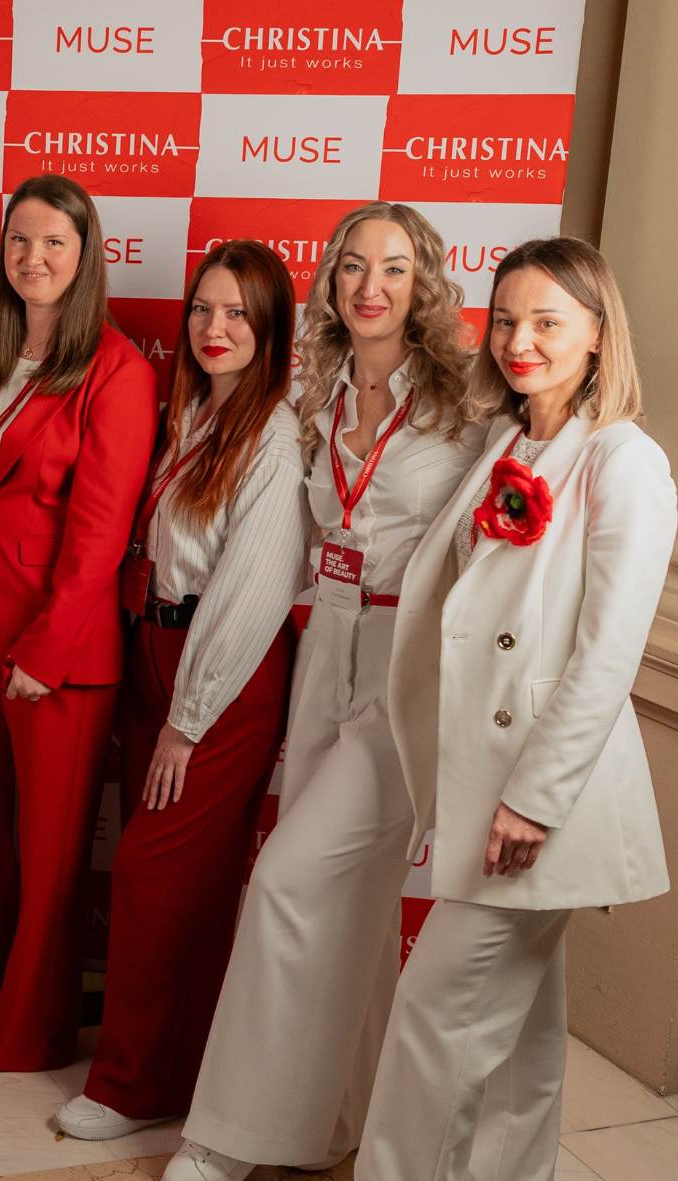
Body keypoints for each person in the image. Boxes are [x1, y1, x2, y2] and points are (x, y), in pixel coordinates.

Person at [162, 202, 486, 1180]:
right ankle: (343, 1115)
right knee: (351, 906)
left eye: (393, 267)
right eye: (351, 265)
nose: (369, 285)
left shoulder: (466, 402)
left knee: (284, 883)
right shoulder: (314, 396)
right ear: (331, 282)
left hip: (405, 664)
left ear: (422, 283)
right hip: (323, 650)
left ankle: (229, 1138)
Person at [357, 237, 673, 1180]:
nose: (518, 340)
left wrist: (533, 798)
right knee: (520, 1045)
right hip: (484, 774)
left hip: (537, 794)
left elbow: (607, 652)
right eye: (504, 320)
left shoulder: (625, 459)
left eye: (546, 321)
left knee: (433, 1020)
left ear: (598, 333)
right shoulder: (508, 439)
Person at [61, 242, 306, 1139]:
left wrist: (187, 720)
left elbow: (251, 591)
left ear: (271, 326)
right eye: (203, 308)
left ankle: (129, 1087)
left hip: (222, 675)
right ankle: (186, 1072)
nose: (214, 327)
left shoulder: (273, 434)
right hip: (157, 650)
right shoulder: (197, 411)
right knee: (186, 883)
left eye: (238, 312)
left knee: (152, 873)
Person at [0, 174, 157, 1073]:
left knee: (48, 855)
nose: (34, 257)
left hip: (57, 647)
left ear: (87, 255)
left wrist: (46, 650)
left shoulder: (119, 372)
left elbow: (100, 534)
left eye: (55, 241)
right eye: (19, 240)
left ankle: (28, 1031)